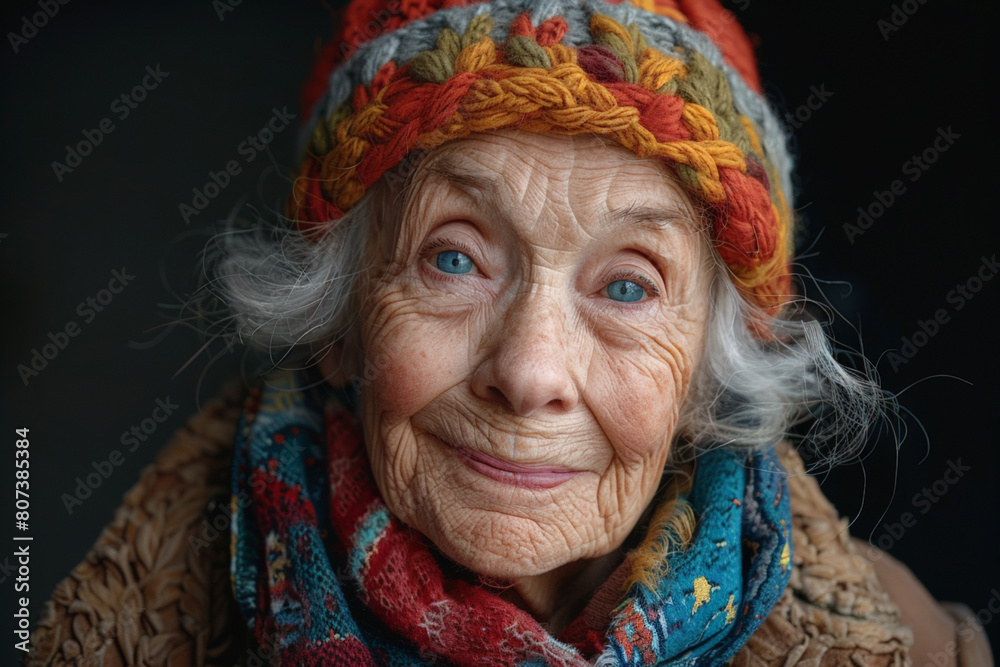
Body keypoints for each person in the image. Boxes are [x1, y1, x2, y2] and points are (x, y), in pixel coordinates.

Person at [27, 0, 994, 665]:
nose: (530, 372)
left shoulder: (917, 648)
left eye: (627, 284)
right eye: (455, 259)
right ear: (340, 321)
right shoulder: (129, 625)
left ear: (705, 367)